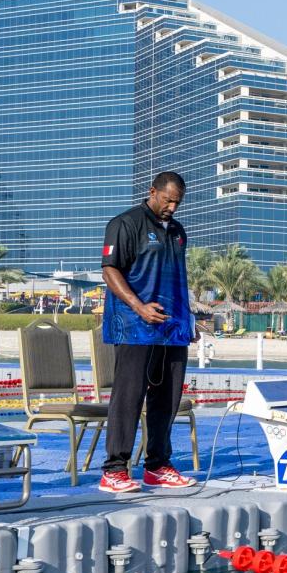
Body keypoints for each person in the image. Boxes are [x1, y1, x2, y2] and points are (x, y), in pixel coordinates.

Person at [98, 172, 198, 493]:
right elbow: (110, 270)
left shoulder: (178, 232)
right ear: (152, 192)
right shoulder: (125, 224)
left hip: (172, 330)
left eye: (177, 202)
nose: (172, 206)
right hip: (133, 327)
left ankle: (157, 465)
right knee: (128, 398)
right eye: (167, 200)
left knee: (167, 398)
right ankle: (114, 469)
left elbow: (176, 279)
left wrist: (187, 319)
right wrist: (139, 307)